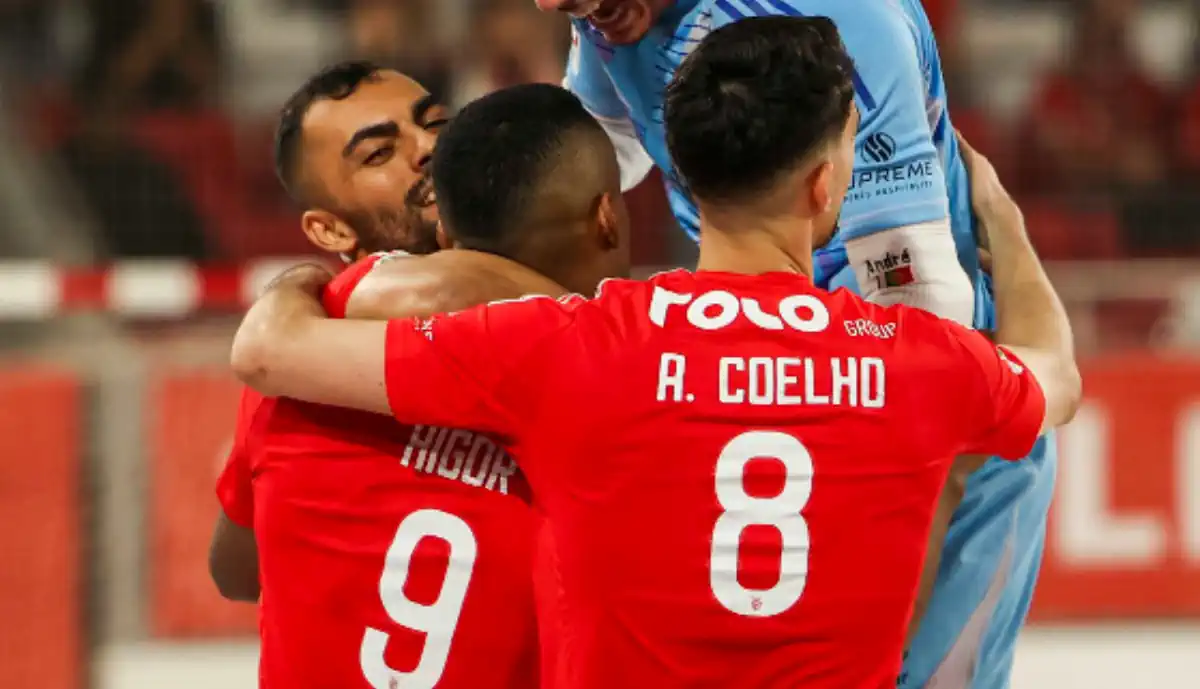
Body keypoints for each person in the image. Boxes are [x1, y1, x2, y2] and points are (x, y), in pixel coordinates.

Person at [228, 18, 1081, 689]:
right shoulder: (905, 359)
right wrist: (1003, 223)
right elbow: (1052, 378)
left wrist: (318, 284)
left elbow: (269, 355)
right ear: (826, 186)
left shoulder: (576, 348)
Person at [539, 1, 1058, 685]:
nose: (569, 6)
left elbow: (926, 320)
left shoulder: (844, 24)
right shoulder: (605, 10)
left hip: (943, 446)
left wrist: (887, 623)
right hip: (776, 400)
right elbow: (595, 155)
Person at [210, 62, 632, 688]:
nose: (427, 149)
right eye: (380, 152)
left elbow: (234, 568)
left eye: (436, 125)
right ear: (329, 229)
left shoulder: (300, 337)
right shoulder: (583, 338)